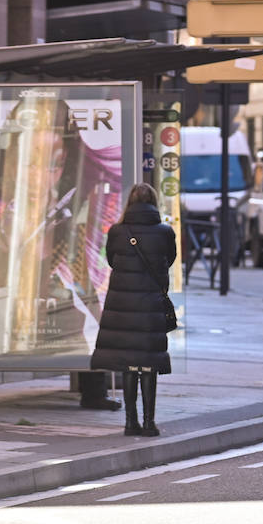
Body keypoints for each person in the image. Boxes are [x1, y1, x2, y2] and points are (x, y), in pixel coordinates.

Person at [90, 184, 178, 437]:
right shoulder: (164, 232)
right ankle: (149, 423)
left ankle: (130, 422)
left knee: (129, 365)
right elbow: (169, 259)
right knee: (148, 364)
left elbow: (110, 260)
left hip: (122, 307)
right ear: (154, 202)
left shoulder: (117, 231)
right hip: (150, 305)